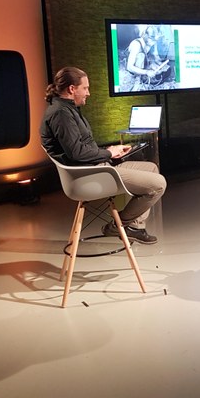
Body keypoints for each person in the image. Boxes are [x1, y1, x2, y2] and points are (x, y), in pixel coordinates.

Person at [40, 66, 166, 244]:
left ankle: (134, 227)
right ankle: (119, 225)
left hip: (96, 167)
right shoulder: (61, 113)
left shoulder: (67, 109)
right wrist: (108, 153)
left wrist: (110, 151)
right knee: (158, 184)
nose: (88, 93)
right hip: (87, 176)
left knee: (151, 168)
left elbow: (80, 147)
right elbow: (77, 153)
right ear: (72, 89)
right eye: (85, 88)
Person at [126, 24, 171, 90]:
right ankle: (138, 82)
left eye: (155, 40)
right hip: (135, 68)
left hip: (144, 65)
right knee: (141, 56)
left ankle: (147, 78)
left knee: (160, 67)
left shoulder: (152, 42)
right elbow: (129, 67)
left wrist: (160, 66)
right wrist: (147, 72)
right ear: (145, 35)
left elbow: (156, 57)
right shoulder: (136, 45)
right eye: (152, 38)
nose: (153, 42)